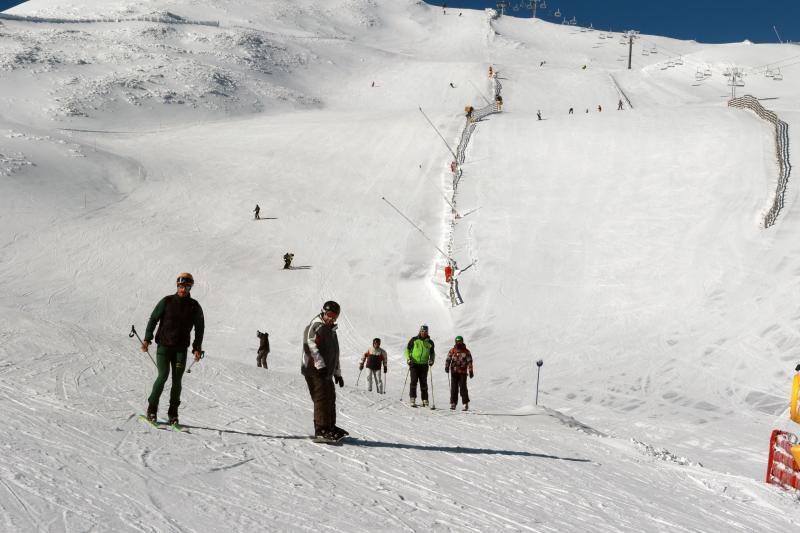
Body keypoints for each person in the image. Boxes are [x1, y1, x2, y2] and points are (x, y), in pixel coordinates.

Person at [142, 272, 204, 425]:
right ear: (177, 286)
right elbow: (153, 318)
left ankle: (173, 413)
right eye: (181, 286)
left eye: (187, 287)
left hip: (180, 349)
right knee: (163, 375)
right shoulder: (167, 301)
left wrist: (197, 347)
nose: (183, 289)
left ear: (190, 287)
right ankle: (152, 409)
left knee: (177, 381)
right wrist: (147, 339)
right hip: (164, 346)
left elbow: (200, 328)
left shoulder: (194, 306)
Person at [301, 300, 347, 442]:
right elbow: (310, 346)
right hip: (313, 369)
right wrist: (320, 365)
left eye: (335, 316)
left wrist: (337, 373)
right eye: (329, 315)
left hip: (326, 371)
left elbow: (335, 353)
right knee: (321, 398)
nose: (331, 318)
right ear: (323, 312)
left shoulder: (331, 330)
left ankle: (330, 426)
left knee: (330, 398)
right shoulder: (316, 326)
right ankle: (321, 429)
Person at [405, 325, 435, 407]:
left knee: (423, 382)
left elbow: (432, 353)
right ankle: (412, 398)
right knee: (414, 381)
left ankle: (425, 399)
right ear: (420, 331)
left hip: (424, 364)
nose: (423, 333)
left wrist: (431, 360)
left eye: (425, 331)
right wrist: (408, 359)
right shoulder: (414, 340)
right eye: (422, 331)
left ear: (427, 332)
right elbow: (407, 349)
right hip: (414, 363)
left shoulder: (430, 342)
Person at [445, 335, 473, 411]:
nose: (459, 343)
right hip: (454, 372)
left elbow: (469, 361)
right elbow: (448, 359)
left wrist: (470, 371)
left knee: (463, 387)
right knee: (454, 388)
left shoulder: (466, 351)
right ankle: (453, 403)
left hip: (463, 372)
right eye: (457, 341)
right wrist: (447, 367)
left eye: (460, 341)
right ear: (455, 342)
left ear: (462, 342)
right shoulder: (452, 350)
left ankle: (465, 403)